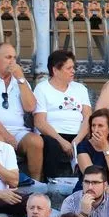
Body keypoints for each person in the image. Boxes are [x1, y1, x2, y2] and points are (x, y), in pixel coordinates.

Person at [0, 41, 43, 180]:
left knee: (36, 141)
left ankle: (36, 183)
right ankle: (4, 182)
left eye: (14, 58)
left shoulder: (20, 81)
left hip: (19, 131)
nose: (13, 62)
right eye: (8, 57)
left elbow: (30, 107)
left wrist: (21, 79)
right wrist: (7, 136)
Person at [33, 50, 92, 179]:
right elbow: (40, 122)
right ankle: (51, 183)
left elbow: (88, 117)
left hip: (78, 135)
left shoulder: (80, 88)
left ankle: (86, 183)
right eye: (69, 68)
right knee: (52, 146)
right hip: (53, 135)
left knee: (87, 145)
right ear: (55, 70)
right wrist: (62, 141)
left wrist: (77, 140)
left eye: (73, 68)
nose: (73, 71)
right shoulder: (42, 89)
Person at [74, 110, 109, 195]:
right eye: (93, 125)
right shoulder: (83, 146)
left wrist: (105, 147)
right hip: (88, 187)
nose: (95, 130)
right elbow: (91, 175)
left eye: (100, 126)